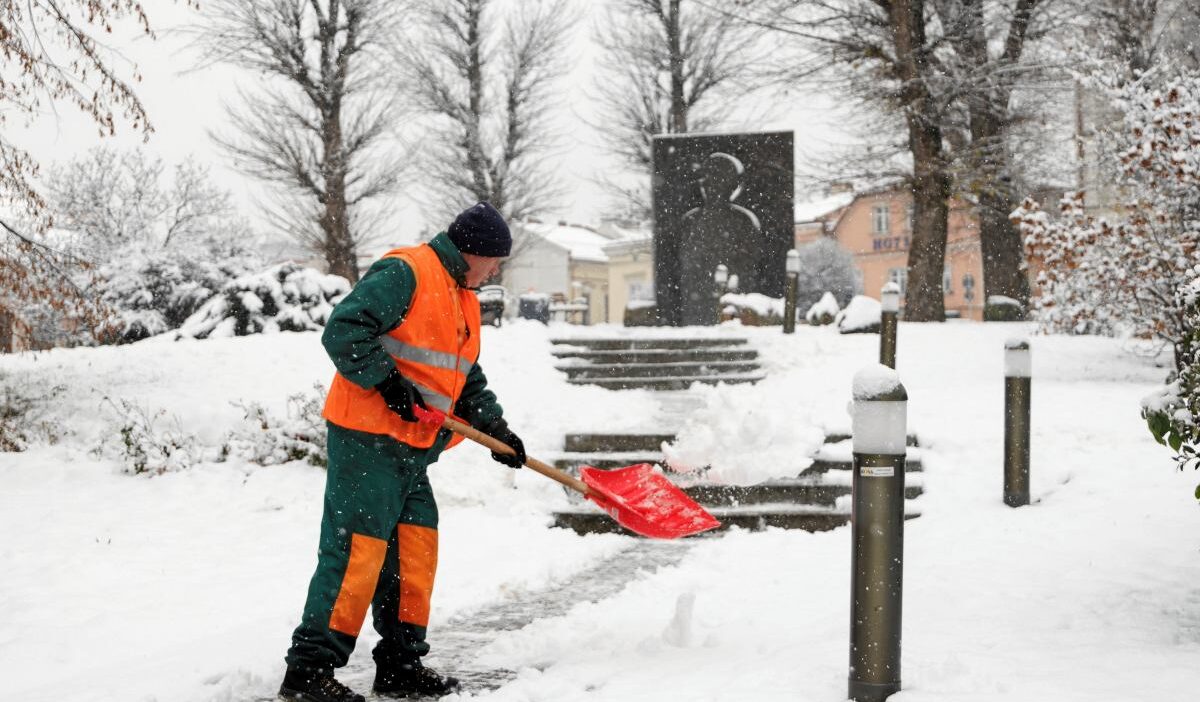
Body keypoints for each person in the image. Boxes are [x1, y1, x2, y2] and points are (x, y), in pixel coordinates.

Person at [278, 202, 527, 702]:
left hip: (413, 448)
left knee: (414, 552)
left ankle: (399, 664)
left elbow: (462, 373)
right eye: (495, 260)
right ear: (473, 251)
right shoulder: (407, 271)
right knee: (356, 554)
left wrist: (494, 424)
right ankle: (308, 671)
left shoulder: (462, 296)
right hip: (368, 438)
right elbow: (345, 328)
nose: (497, 270)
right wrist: (387, 382)